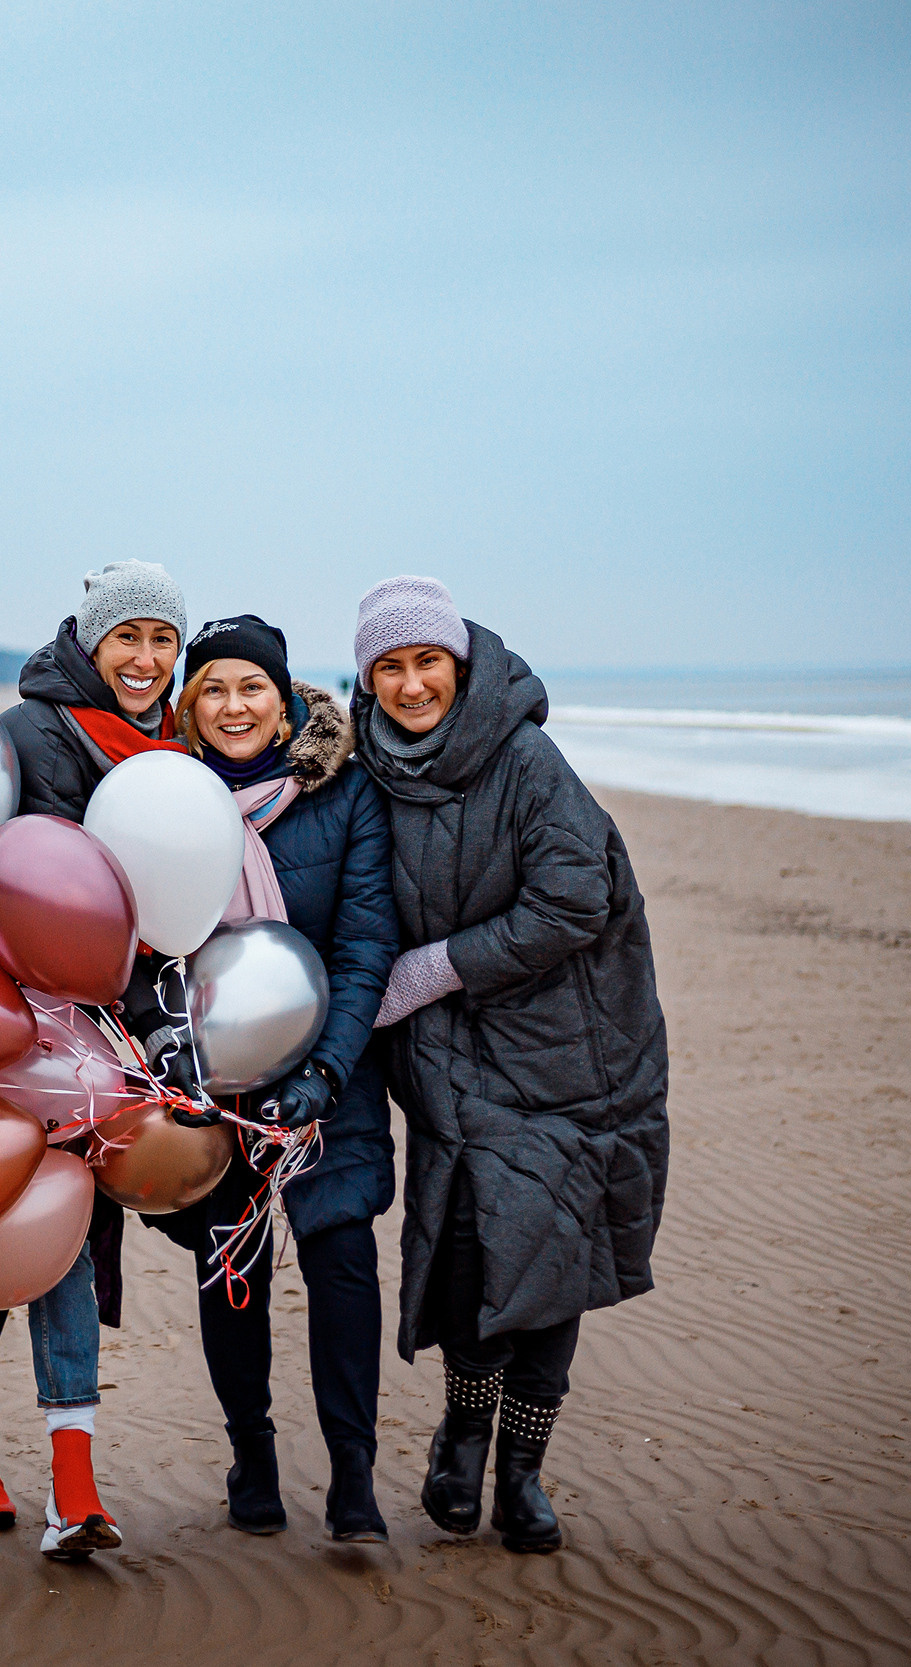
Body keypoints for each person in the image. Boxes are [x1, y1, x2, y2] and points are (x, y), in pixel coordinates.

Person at [347, 576, 670, 1556]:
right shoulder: (365, 769)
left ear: (461, 663)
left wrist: (437, 967)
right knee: (477, 1253)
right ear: (367, 678)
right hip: (448, 1059)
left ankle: (520, 1472)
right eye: (389, 666)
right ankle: (461, 1439)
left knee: (552, 1261)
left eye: (426, 661)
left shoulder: (526, 760)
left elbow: (577, 898)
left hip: (574, 1053)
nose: (410, 683)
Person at [0, 560, 188, 1565]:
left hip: (99, 1034)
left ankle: (73, 1488)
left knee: (65, 1235)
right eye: (128, 637)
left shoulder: (173, 741)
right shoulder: (32, 730)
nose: (146, 657)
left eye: (163, 637)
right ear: (90, 640)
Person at [145, 614, 398, 1541]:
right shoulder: (168, 802)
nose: (234, 704)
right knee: (232, 1269)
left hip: (336, 1071)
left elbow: (368, 943)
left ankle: (353, 1475)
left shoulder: (346, 795)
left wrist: (327, 1071)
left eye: (252, 686)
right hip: (217, 1085)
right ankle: (251, 1454)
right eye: (212, 688)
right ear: (192, 706)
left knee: (341, 1259)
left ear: (285, 701)